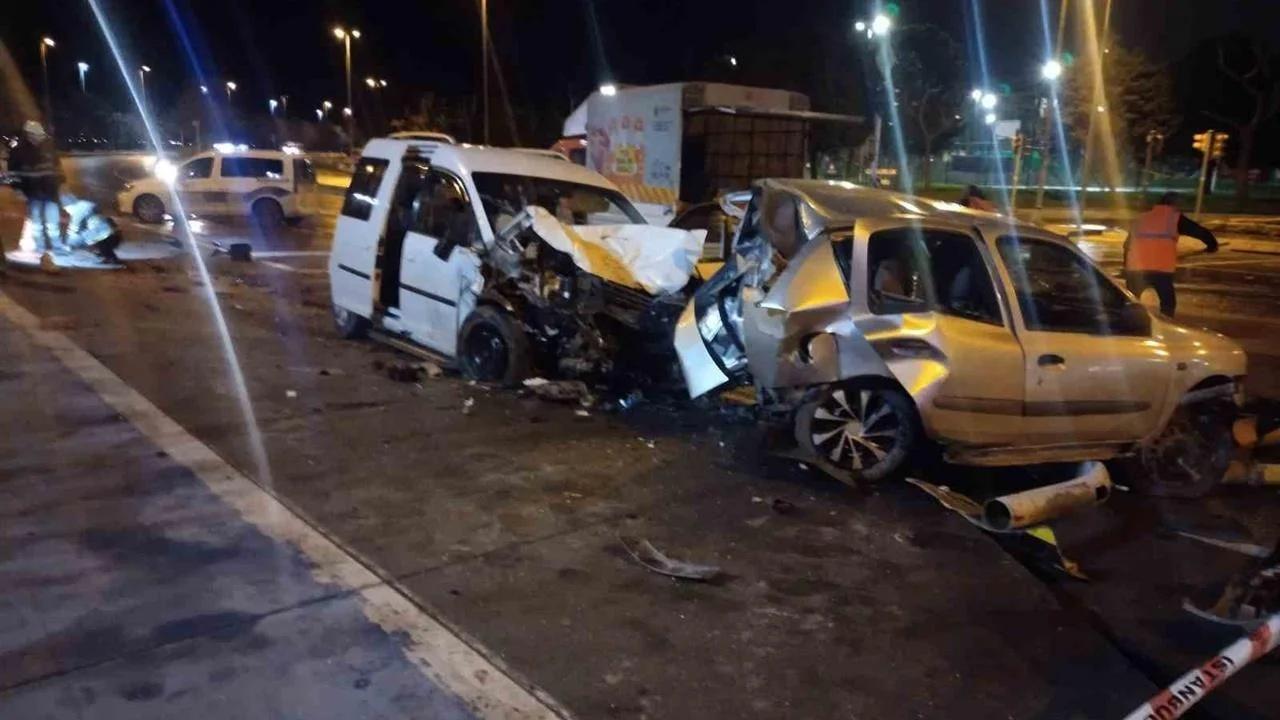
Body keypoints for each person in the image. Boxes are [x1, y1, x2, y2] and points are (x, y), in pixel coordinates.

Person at [1124, 191, 1218, 317]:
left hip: (1136, 268)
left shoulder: (1141, 218)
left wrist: (1126, 266)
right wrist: (1212, 245)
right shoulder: (1174, 218)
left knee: (1130, 302)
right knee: (1168, 303)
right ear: (1174, 205)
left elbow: (1127, 245)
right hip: (1160, 269)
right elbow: (1200, 232)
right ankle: (1165, 325)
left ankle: (1128, 324)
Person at [6, 120, 64, 270]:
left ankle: (57, 246)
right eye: (36, 136)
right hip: (32, 192)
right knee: (37, 222)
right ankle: (40, 248)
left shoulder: (49, 147)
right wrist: (17, 189)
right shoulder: (18, 152)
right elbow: (13, 173)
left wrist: (61, 183)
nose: (39, 138)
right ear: (29, 135)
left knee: (53, 221)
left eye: (40, 135)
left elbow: (57, 167)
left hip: (50, 190)